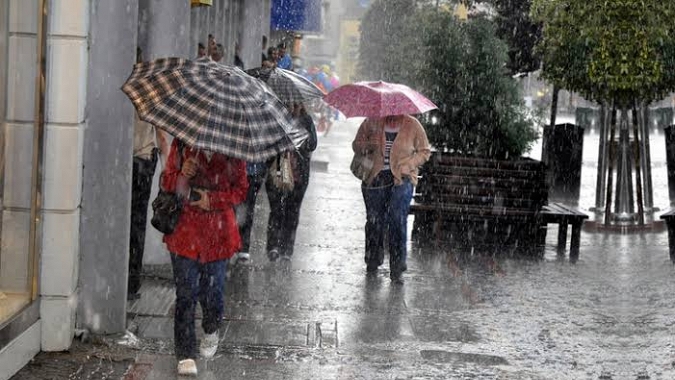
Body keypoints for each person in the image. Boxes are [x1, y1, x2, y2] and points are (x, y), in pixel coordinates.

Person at [160, 140, 248, 376]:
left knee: (214, 292)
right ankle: (185, 353)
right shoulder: (181, 145)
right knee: (186, 293)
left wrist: (212, 200)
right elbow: (167, 182)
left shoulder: (233, 149)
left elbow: (241, 190)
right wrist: (181, 174)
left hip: (218, 235)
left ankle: (211, 327)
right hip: (184, 232)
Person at [351, 114, 430, 284]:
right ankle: (373, 260)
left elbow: (424, 151)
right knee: (374, 220)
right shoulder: (371, 122)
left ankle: (397, 267)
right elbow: (356, 145)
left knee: (397, 218)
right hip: (375, 176)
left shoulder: (412, 124)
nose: (393, 112)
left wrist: (408, 165)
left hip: (402, 179)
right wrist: (369, 145)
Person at [128, 47, 169, 301]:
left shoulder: (118, 87)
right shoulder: (149, 90)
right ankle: (132, 281)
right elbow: (161, 134)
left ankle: (123, 277)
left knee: (124, 221)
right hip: (144, 161)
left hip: (125, 162)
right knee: (137, 221)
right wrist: (167, 167)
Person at [264, 103, 318, 261]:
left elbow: (312, 144)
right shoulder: (278, 118)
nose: (294, 107)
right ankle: (273, 246)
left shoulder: (306, 120)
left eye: (297, 103)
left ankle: (287, 247)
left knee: (293, 211)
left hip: (299, 172)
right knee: (277, 209)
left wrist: (298, 141)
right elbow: (268, 143)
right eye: (291, 103)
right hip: (280, 166)